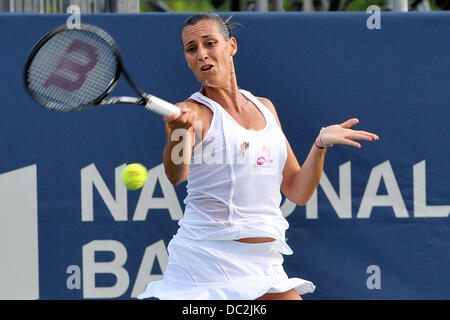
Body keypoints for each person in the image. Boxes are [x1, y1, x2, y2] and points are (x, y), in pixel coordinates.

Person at [138, 13, 379, 300]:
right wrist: (179, 133)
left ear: (232, 46)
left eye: (209, 43)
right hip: (206, 264)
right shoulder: (192, 112)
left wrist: (320, 145)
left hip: (263, 265)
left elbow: (297, 190)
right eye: (192, 49)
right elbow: (177, 175)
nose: (202, 54)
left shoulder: (265, 107)